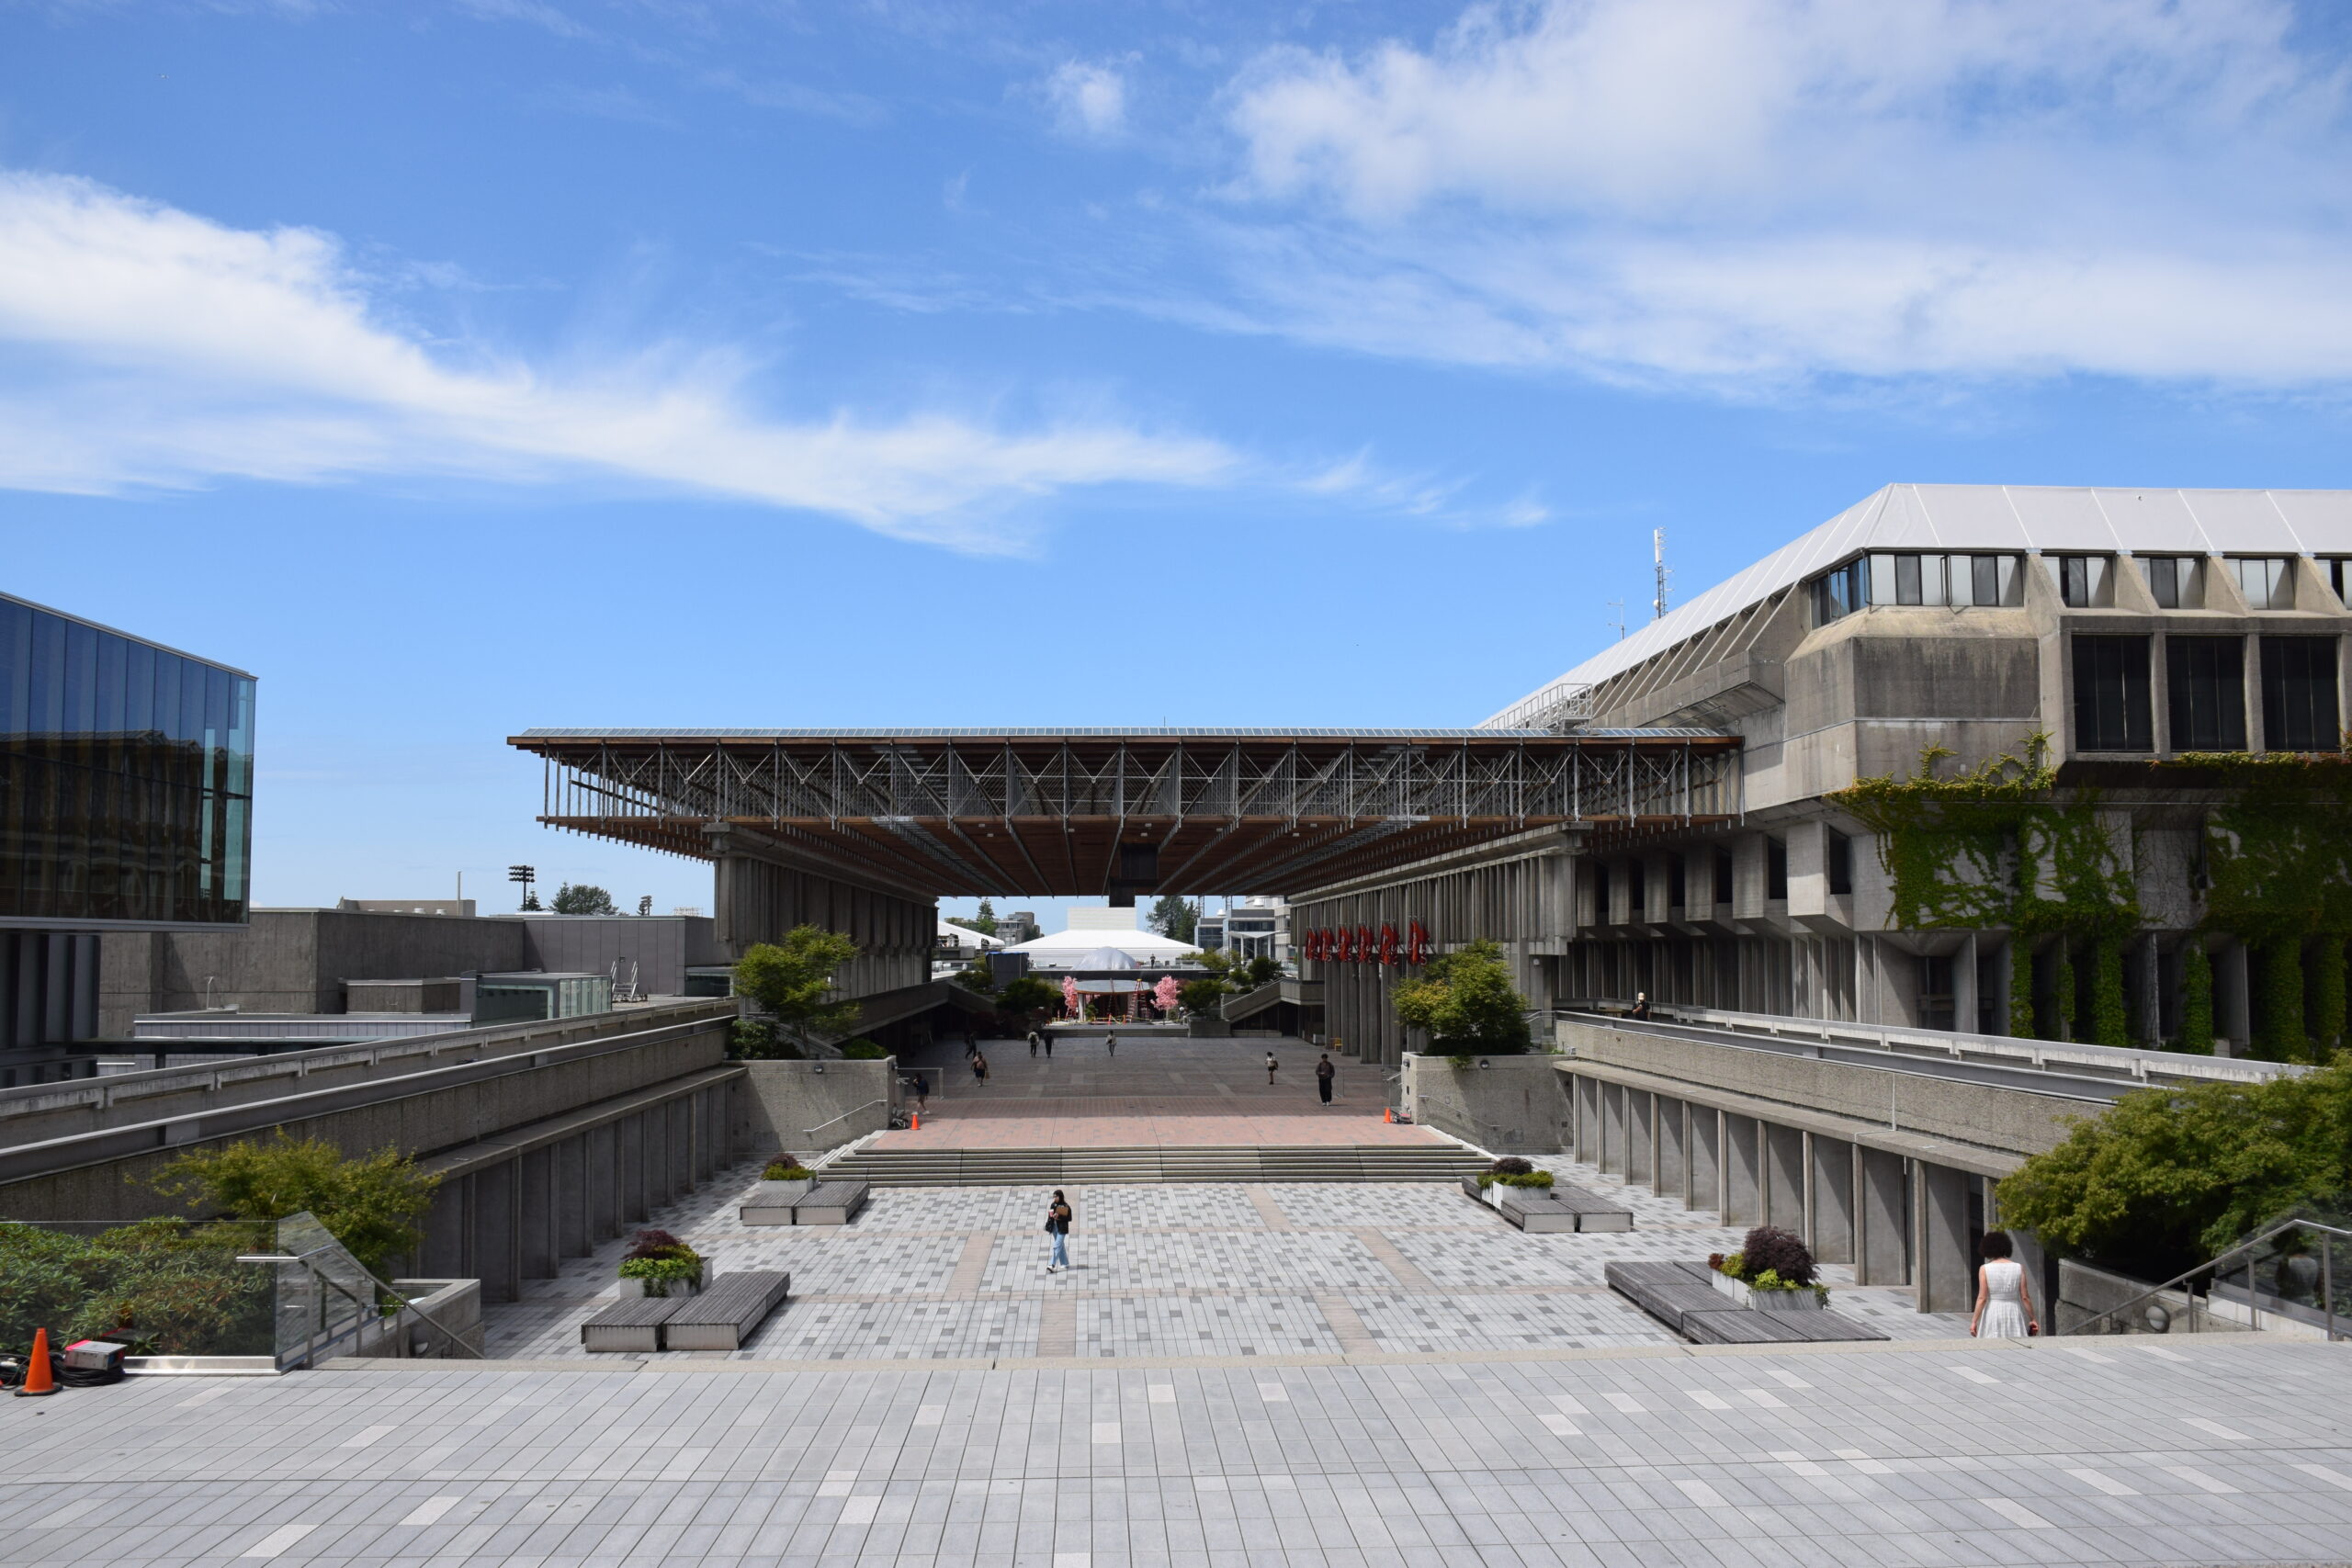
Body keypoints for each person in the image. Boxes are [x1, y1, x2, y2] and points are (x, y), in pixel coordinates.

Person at [1971, 1230, 2039, 1339]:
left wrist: (1974, 1321)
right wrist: (2033, 1319)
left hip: (1993, 1310)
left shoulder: (1984, 1269)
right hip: (2013, 1310)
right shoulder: (2018, 1267)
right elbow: (2025, 1297)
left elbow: (1982, 1298)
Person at [1044, 1189, 1073, 1273]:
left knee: (1057, 1245)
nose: (1054, 1198)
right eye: (1054, 1196)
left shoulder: (1065, 1206)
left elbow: (1069, 1218)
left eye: (1056, 1196)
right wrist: (1051, 1217)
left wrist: (1059, 1216)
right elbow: (1050, 1217)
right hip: (1054, 1228)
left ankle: (1051, 1264)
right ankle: (1065, 1263)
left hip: (1062, 1229)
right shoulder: (1053, 1205)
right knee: (1060, 1245)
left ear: (1060, 1196)